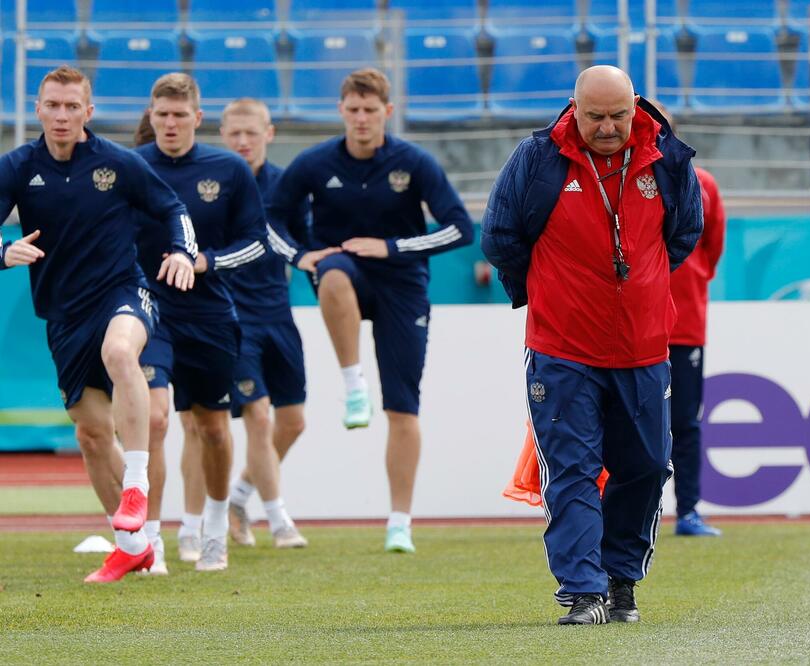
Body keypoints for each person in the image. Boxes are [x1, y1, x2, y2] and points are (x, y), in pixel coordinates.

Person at [481, 65, 703, 625]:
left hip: (645, 347)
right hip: (561, 349)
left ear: (637, 107)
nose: (607, 127)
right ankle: (583, 590)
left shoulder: (669, 159)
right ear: (573, 108)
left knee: (649, 465)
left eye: (618, 116)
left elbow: (684, 235)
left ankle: (620, 577)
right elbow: (500, 237)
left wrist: (642, 288)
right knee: (573, 468)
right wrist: (549, 292)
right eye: (595, 116)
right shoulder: (537, 159)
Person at [0, 65, 196, 582]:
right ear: (37, 108)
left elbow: (173, 206)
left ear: (88, 111)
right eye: (52, 105)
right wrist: (3, 251)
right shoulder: (18, 167)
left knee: (120, 353)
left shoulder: (118, 163)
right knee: (89, 434)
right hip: (63, 316)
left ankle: (137, 486)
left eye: (72, 106)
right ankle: (131, 544)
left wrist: (181, 250)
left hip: (122, 293)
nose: (61, 115)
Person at [268, 68, 474, 553]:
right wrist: (300, 256)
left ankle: (399, 522)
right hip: (344, 272)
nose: (361, 119)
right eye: (353, 110)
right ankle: (352, 384)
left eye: (370, 110)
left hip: (403, 283)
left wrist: (392, 247)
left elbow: (460, 228)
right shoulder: (314, 162)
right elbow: (271, 219)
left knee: (404, 408)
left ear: (387, 111)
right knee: (333, 272)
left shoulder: (413, 162)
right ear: (341, 111)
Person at [135, 73, 267, 573]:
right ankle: (152, 542)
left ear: (197, 118)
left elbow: (256, 243)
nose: (169, 123)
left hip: (209, 313)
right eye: (161, 114)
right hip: (148, 310)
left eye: (178, 115)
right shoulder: (131, 167)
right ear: (150, 115)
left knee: (212, 428)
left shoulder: (229, 170)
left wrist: (203, 262)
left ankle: (213, 528)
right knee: (153, 419)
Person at [216, 97, 315, 549]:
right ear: (221, 134)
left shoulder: (285, 185)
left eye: (251, 133)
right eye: (234, 133)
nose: (242, 142)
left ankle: (238, 498)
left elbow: (308, 244)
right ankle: (278, 521)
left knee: (292, 422)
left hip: (278, 312)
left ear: (268, 134)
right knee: (257, 416)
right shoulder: (212, 184)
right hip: (233, 317)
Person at [670, 162, 726, 537]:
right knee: (621, 425)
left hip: (685, 323)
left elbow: (713, 244)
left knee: (685, 423)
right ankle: (615, 513)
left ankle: (688, 511)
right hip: (631, 326)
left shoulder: (702, 183)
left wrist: (695, 276)